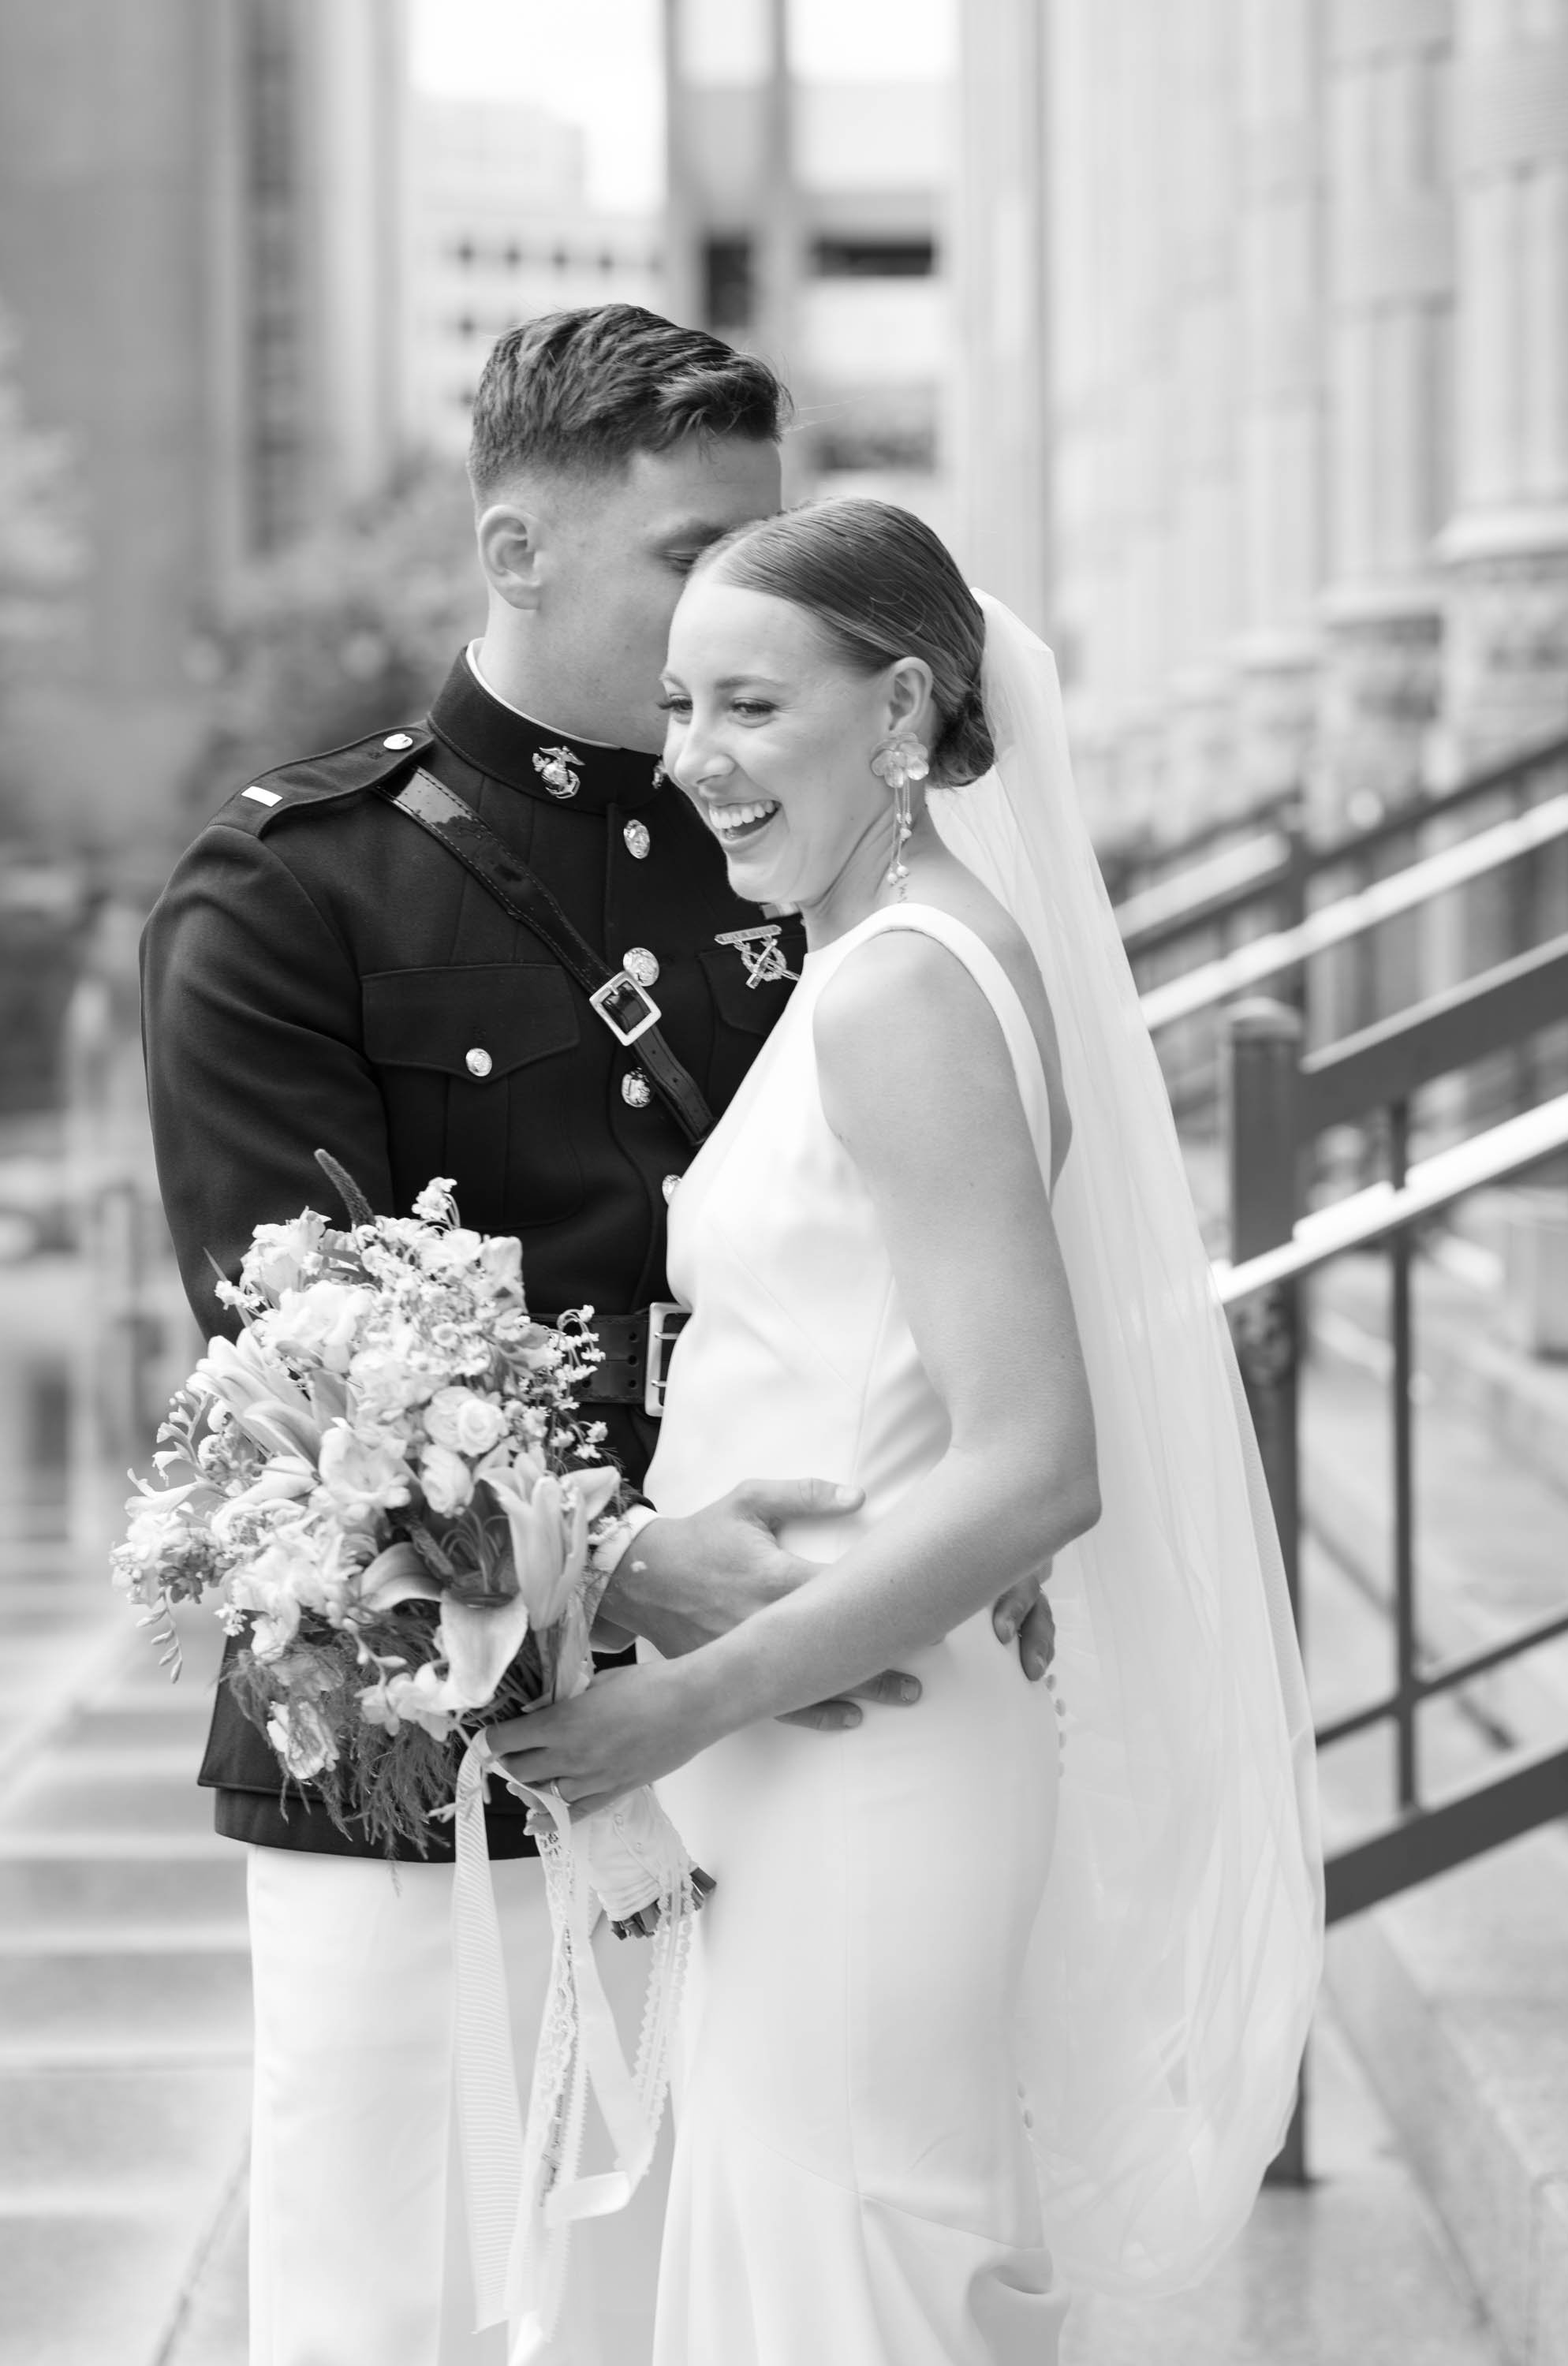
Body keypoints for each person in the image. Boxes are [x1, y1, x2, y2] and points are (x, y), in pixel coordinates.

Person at [140, 308, 1052, 2366]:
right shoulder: (299, 893)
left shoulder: (804, 856)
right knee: (406, 2316)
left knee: (681, 2318)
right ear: (519, 550)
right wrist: (638, 1566)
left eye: (766, 540)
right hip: (421, 1764)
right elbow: (292, 1390)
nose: (738, 597)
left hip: (779, 1738)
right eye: (686, 552)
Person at [498, 499, 1327, 2364]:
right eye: (681, 705)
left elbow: (1039, 1460)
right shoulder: (913, 949)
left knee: (842, 2288)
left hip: (849, 1757)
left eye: (751, 708)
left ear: (898, 710)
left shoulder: (897, 994)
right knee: (822, 2275)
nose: (695, 761)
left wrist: (681, 1700)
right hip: (825, 1727)